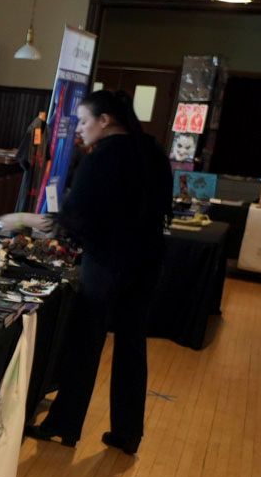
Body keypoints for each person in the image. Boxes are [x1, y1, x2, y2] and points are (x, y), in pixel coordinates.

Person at [25, 89, 173, 455]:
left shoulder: (102, 157)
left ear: (105, 121)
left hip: (107, 262)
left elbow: (77, 217)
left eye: (85, 121)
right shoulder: (152, 151)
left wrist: (46, 223)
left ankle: (64, 424)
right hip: (148, 260)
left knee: (85, 343)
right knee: (132, 346)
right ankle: (127, 433)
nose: (81, 129)